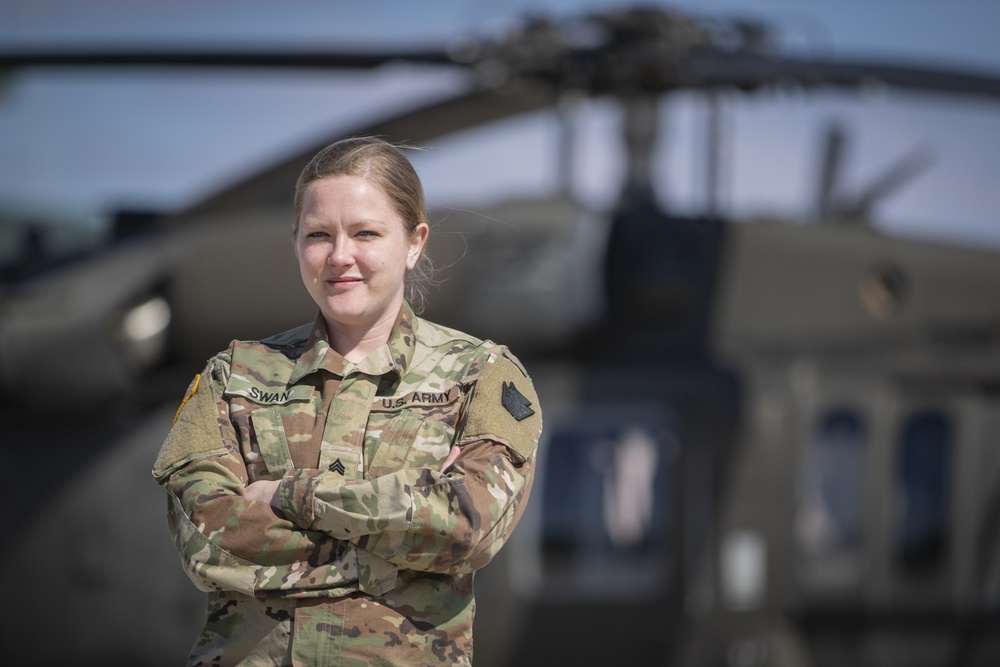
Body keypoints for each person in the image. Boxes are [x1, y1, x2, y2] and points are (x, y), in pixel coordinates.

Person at [152, 136, 542, 666]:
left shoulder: (480, 377)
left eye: (366, 233)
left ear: (414, 242)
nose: (339, 256)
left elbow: (467, 532)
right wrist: (401, 550)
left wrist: (290, 497)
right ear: (295, 241)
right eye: (318, 235)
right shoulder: (233, 376)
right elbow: (207, 545)